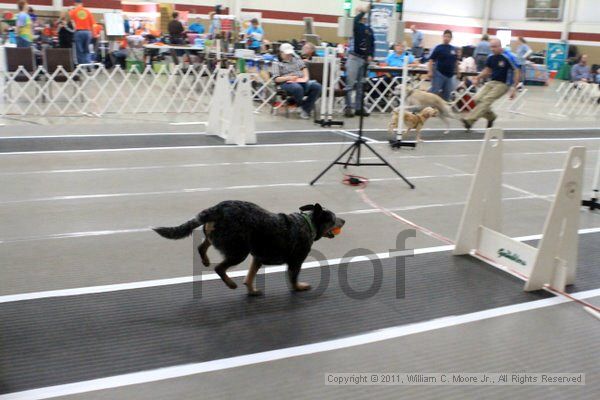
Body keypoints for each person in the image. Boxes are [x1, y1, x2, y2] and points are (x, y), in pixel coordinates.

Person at [461, 38, 520, 130]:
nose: (492, 49)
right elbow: (487, 70)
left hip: (503, 84)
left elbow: (516, 71)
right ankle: (491, 117)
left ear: (500, 46)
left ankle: (470, 120)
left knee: (486, 100)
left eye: (495, 47)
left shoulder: (509, 57)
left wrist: (514, 88)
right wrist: (477, 77)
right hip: (492, 82)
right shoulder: (490, 57)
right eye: (491, 47)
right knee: (477, 99)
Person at [272, 43, 322, 119]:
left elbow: (304, 68)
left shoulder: (296, 58)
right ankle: (303, 107)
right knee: (298, 88)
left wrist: (306, 77)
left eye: (290, 53)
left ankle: (304, 108)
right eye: (287, 54)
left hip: (301, 80)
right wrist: (288, 78)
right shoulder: (276, 62)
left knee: (317, 86)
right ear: (281, 52)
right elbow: (276, 78)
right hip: (286, 82)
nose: (289, 55)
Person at [344, 3, 374, 118]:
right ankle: (348, 107)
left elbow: (372, 43)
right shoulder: (354, 25)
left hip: (364, 59)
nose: (363, 15)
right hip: (354, 57)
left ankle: (359, 107)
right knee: (350, 84)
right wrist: (363, 11)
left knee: (361, 85)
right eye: (361, 12)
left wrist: (371, 54)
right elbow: (355, 21)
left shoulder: (368, 29)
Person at [428, 29, 458, 101]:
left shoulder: (453, 49)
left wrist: (458, 71)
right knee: (434, 93)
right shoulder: (438, 48)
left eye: (448, 37)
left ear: (451, 38)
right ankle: (427, 110)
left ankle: (442, 110)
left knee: (447, 95)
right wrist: (430, 71)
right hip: (439, 74)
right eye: (445, 36)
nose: (446, 38)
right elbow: (431, 60)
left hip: (449, 76)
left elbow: (456, 61)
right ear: (443, 37)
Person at [69, 0, 95, 64]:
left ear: (75, 3)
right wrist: (93, 33)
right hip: (87, 32)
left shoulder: (73, 11)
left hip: (79, 32)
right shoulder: (88, 11)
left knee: (79, 50)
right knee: (87, 49)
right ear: (82, 4)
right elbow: (92, 24)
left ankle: (81, 67)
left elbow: (69, 19)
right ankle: (88, 65)